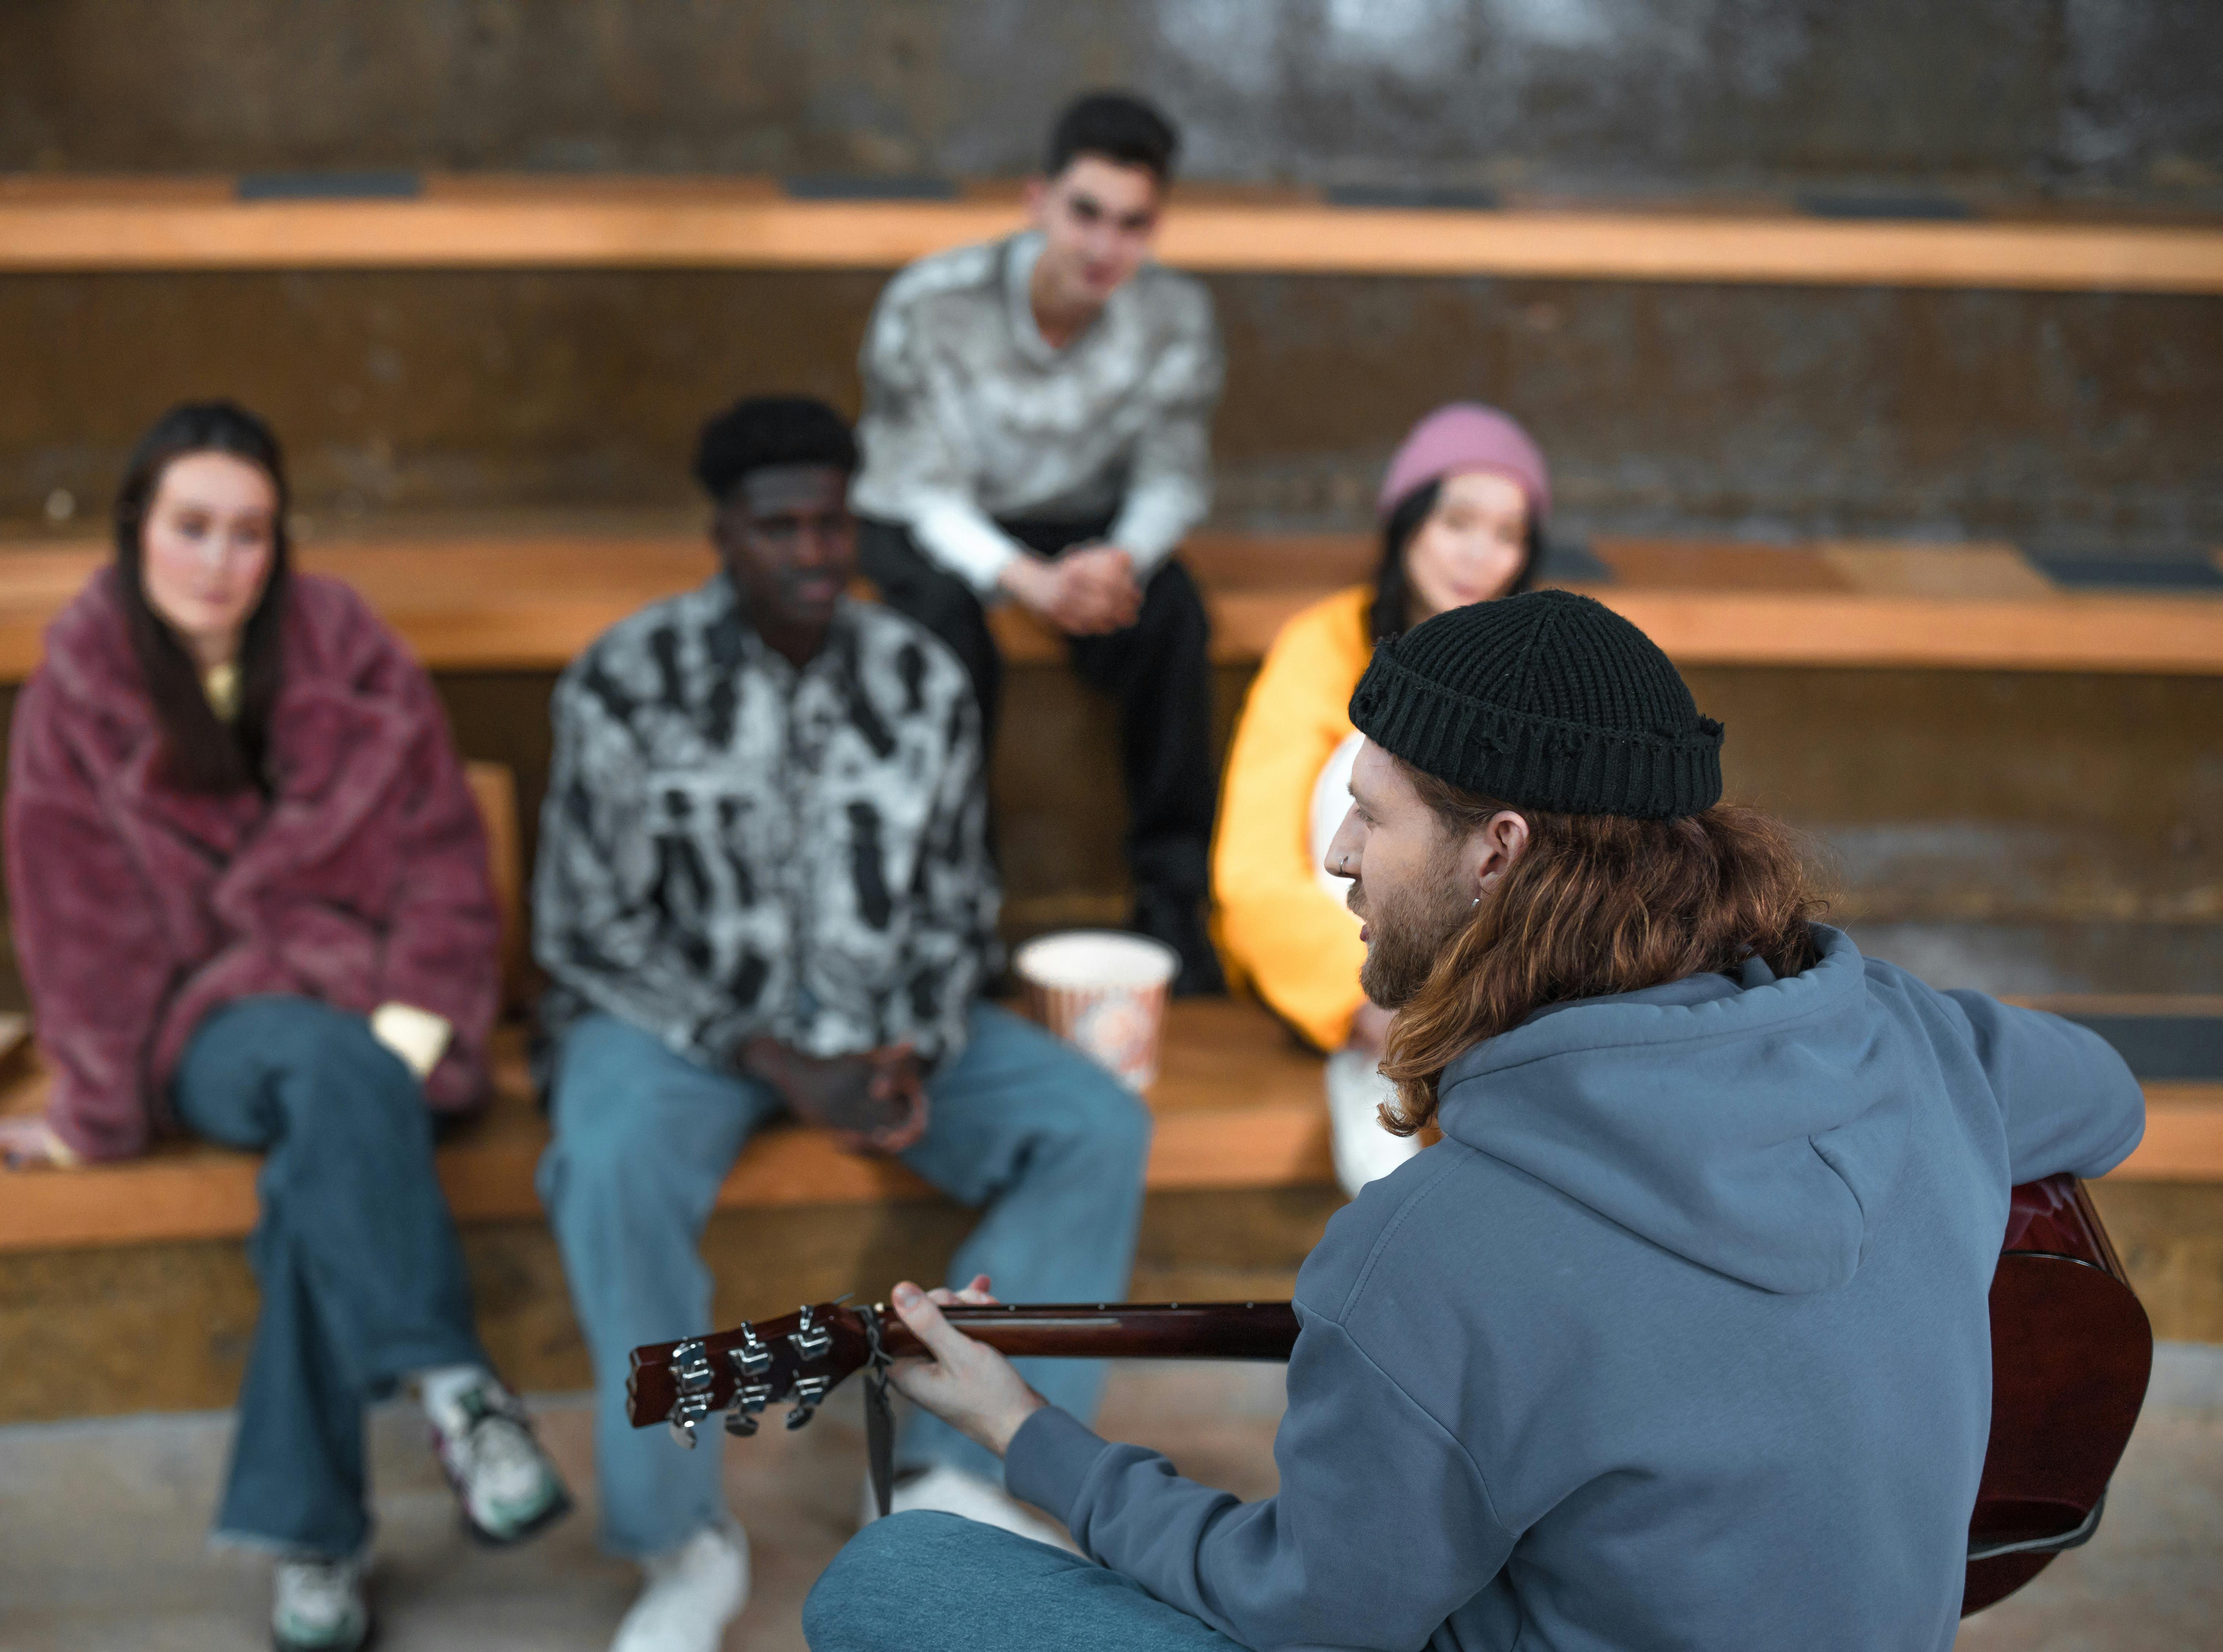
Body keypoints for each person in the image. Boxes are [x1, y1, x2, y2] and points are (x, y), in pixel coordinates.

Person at [804, 589, 2147, 1651]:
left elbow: (1312, 1616)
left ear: (1496, 851)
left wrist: (1025, 1435)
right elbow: (2107, 1098)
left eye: (1371, 816)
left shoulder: (1434, 1248)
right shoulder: (1914, 1043)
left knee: (900, 1577)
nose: (1336, 854)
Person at [533, 396, 1151, 1652]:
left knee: (1092, 1121)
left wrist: (912, 1046)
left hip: (881, 1029)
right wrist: (775, 1061)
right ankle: (682, 1543)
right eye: (779, 527)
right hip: (682, 1034)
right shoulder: (627, 678)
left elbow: (957, 899)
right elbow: (587, 928)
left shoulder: (918, 675)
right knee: (607, 1158)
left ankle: (953, 1477)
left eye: (832, 523)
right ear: (724, 531)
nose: (814, 553)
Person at [0, 401, 567, 1652]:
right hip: (213, 1029)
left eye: (250, 533)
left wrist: (410, 1041)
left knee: (322, 1170)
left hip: (376, 1024)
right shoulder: (80, 684)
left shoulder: (351, 649)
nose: (220, 562)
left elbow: (445, 869)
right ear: (139, 528)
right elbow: (76, 927)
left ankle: (314, 1546)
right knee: (312, 1060)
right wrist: (92, 1114)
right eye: (193, 527)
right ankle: (457, 1382)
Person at [852, 90, 1227, 989]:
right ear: (1038, 201)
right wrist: (1026, 579)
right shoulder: (933, 304)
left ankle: (1172, 901)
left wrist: (1119, 561)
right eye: (1086, 213)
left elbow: (1172, 479)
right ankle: (954, 909)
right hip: (927, 509)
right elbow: (928, 494)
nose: (1105, 246)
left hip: (1082, 518)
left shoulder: (1176, 317)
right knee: (942, 629)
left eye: (1134, 223)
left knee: (1175, 617)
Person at [1212, 403, 1548, 1194]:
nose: (1479, 554)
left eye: (1508, 534)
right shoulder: (1323, 646)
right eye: (1457, 521)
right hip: (1368, 962)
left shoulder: (1541, 664)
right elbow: (1255, 871)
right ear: (1407, 521)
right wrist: (1366, 1002)